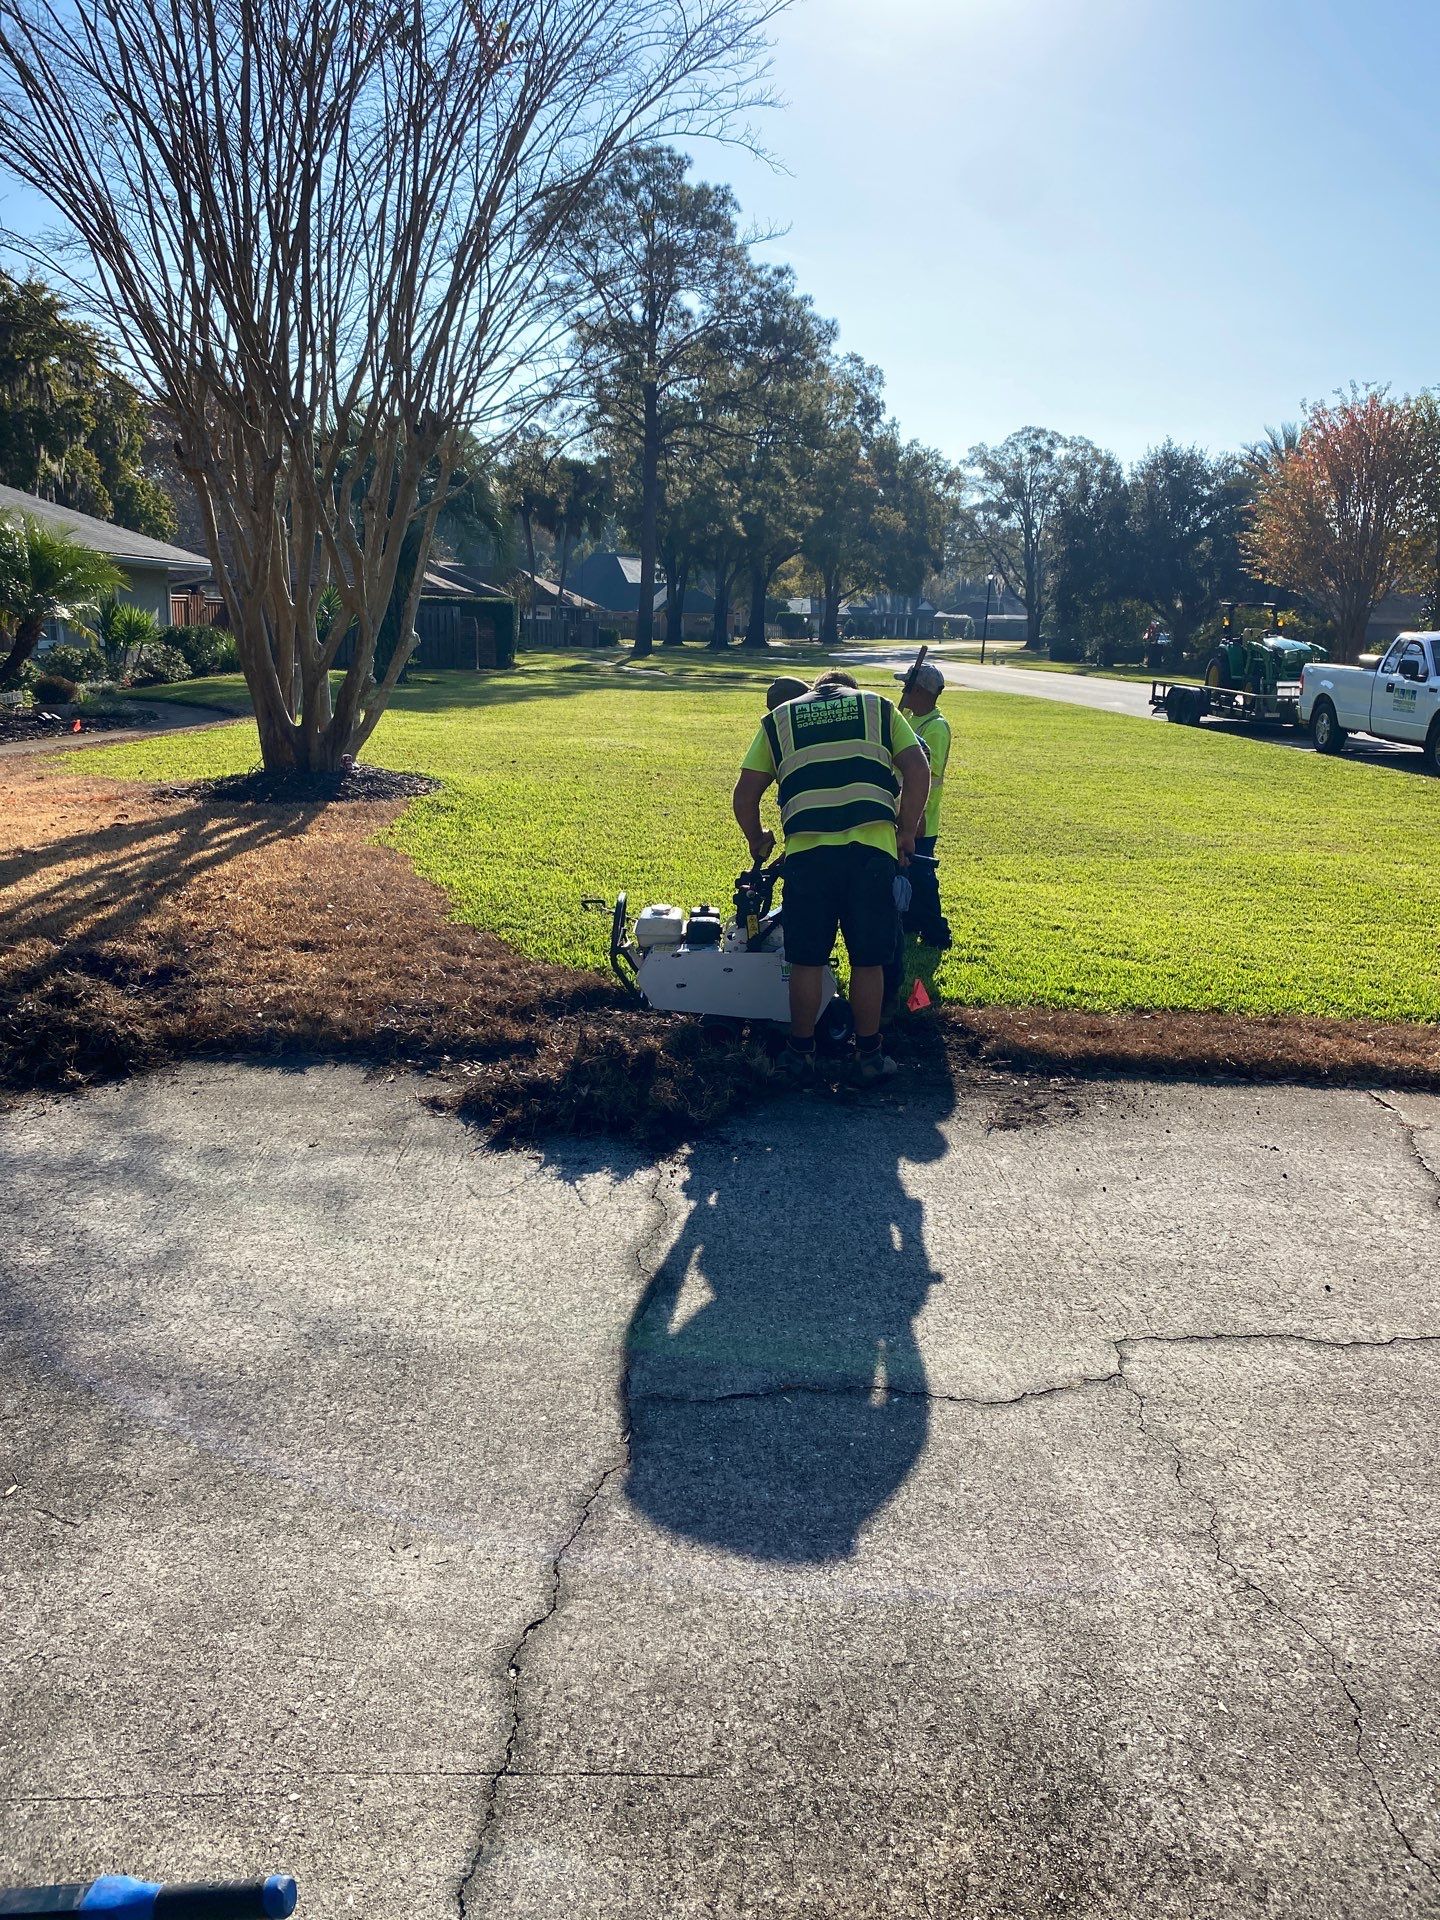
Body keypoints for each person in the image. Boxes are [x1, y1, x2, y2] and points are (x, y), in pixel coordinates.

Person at [733, 669, 929, 1086]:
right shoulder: (877, 707)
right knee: (868, 960)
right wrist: (907, 830)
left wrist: (758, 839)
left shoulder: (780, 719)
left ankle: (800, 1053)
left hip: (808, 856)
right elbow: (917, 769)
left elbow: (745, 794)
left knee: (806, 959)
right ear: (848, 691)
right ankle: (869, 1056)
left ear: (816, 687)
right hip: (872, 854)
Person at [894, 659, 952, 950]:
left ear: (919, 691)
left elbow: (928, 773)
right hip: (904, 812)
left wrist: (917, 819)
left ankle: (936, 931)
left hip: (922, 818)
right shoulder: (909, 720)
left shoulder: (936, 727)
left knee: (923, 876)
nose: (903, 691)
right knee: (907, 872)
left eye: (907, 686)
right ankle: (911, 921)